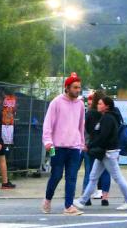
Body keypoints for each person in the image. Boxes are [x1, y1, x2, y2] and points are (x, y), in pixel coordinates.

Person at [74, 96, 127, 211]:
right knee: (93, 177)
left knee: (117, 177)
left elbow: (103, 137)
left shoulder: (108, 118)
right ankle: (82, 200)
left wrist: (90, 145)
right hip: (105, 153)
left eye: (100, 103)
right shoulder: (107, 117)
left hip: (108, 153)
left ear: (106, 106)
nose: (98, 105)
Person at [42, 73, 86, 216]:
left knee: (72, 176)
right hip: (56, 147)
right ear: (67, 87)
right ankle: (47, 199)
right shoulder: (56, 102)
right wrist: (48, 141)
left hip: (74, 147)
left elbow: (81, 125)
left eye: (79, 87)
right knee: (56, 175)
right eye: (75, 87)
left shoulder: (80, 104)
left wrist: (81, 143)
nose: (78, 90)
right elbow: (48, 123)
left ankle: (68, 206)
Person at [82, 91, 111, 205]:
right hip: (104, 146)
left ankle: (87, 197)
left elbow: (86, 130)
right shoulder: (106, 114)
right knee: (105, 172)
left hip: (90, 146)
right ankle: (105, 198)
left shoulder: (89, 114)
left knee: (89, 172)